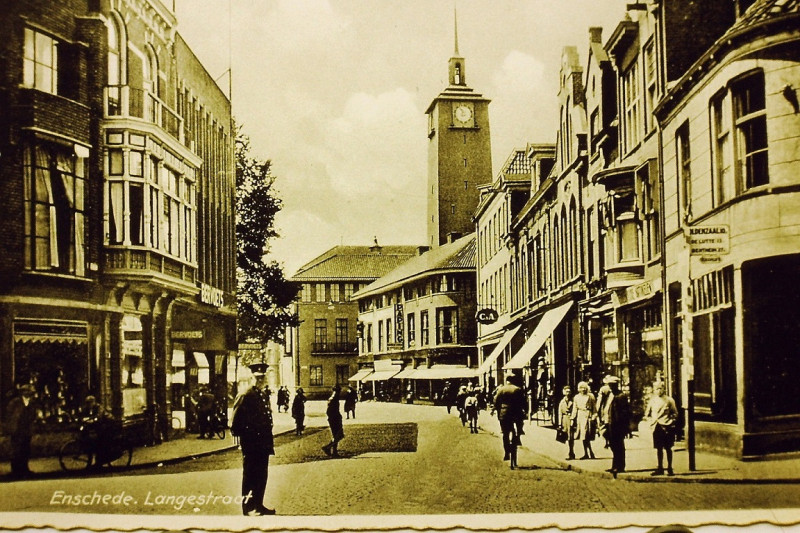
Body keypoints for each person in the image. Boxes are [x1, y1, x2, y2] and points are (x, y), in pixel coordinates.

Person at [230, 364, 275, 516]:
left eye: (262, 377)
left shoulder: (261, 394)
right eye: (257, 377)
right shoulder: (245, 394)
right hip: (251, 443)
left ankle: (258, 504)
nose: (260, 380)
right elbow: (235, 421)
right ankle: (248, 508)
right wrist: (246, 437)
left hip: (263, 442)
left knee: (262, 475)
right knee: (250, 475)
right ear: (252, 378)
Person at [644, 381, 679, 476]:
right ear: (654, 390)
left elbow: (675, 413)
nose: (658, 391)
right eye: (656, 389)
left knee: (668, 448)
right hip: (657, 426)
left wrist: (670, 421)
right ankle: (660, 467)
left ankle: (670, 468)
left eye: (660, 388)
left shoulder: (669, 400)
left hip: (667, 426)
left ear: (664, 389)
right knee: (659, 448)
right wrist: (651, 421)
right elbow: (647, 413)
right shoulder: (652, 400)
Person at [493, 374, 526, 468]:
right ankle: (518, 435)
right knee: (520, 424)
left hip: (504, 414)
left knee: (505, 433)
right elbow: (523, 401)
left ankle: (507, 452)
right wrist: (525, 410)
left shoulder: (501, 389)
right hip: (516, 413)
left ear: (506, 380)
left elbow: (496, 401)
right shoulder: (517, 389)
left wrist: (497, 409)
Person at [5, 384, 37, 478]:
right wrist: (11, 426)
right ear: (23, 392)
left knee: (25, 450)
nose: (30, 393)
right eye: (29, 391)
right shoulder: (15, 402)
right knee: (16, 451)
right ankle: (15, 471)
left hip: (27, 430)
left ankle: (25, 469)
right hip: (17, 430)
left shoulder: (31, 402)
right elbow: (9, 414)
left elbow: (33, 414)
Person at [602, 376, 631, 477]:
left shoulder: (621, 396)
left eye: (612, 385)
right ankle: (615, 465)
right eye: (609, 385)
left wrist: (625, 426)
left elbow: (625, 412)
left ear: (616, 385)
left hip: (618, 424)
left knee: (619, 445)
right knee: (613, 445)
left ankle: (620, 466)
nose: (610, 387)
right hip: (610, 423)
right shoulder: (610, 395)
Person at [570, 381, 597, 460]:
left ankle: (589, 453)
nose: (583, 389)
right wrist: (572, 418)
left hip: (588, 416)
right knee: (583, 436)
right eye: (581, 388)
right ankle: (588, 453)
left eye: (584, 388)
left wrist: (594, 416)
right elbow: (574, 409)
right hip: (580, 416)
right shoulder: (576, 397)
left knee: (586, 435)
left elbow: (594, 408)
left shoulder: (591, 396)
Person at [322, 385, 344, 457]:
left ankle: (334, 451)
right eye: (338, 391)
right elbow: (328, 411)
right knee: (339, 435)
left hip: (334, 418)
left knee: (337, 435)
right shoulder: (333, 399)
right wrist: (335, 416)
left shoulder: (334, 398)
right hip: (334, 419)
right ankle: (328, 448)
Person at [557, 385, 576, 460]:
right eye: (566, 391)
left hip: (570, 419)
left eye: (569, 391)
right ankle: (570, 452)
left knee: (571, 437)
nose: (568, 393)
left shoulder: (573, 401)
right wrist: (559, 423)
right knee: (566, 437)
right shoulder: (562, 402)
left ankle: (571, 452)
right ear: (564, 392)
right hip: (564, 420)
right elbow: (560, 413)